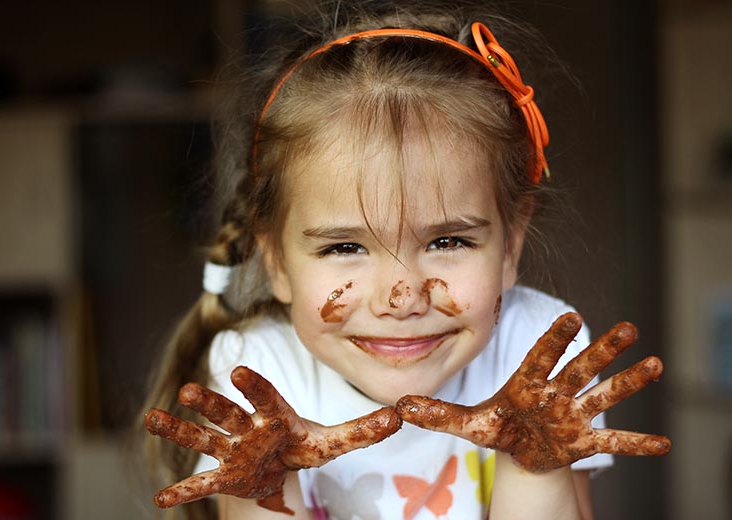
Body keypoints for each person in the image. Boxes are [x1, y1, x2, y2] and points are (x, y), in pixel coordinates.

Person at [139, 1, 671, 519]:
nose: (401, 298)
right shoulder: (256, 372)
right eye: (344, 247)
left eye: (447, 242)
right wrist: (264, 488)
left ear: (510, 244)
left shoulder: (537, 350)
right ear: (276, 261)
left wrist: (533, 463)